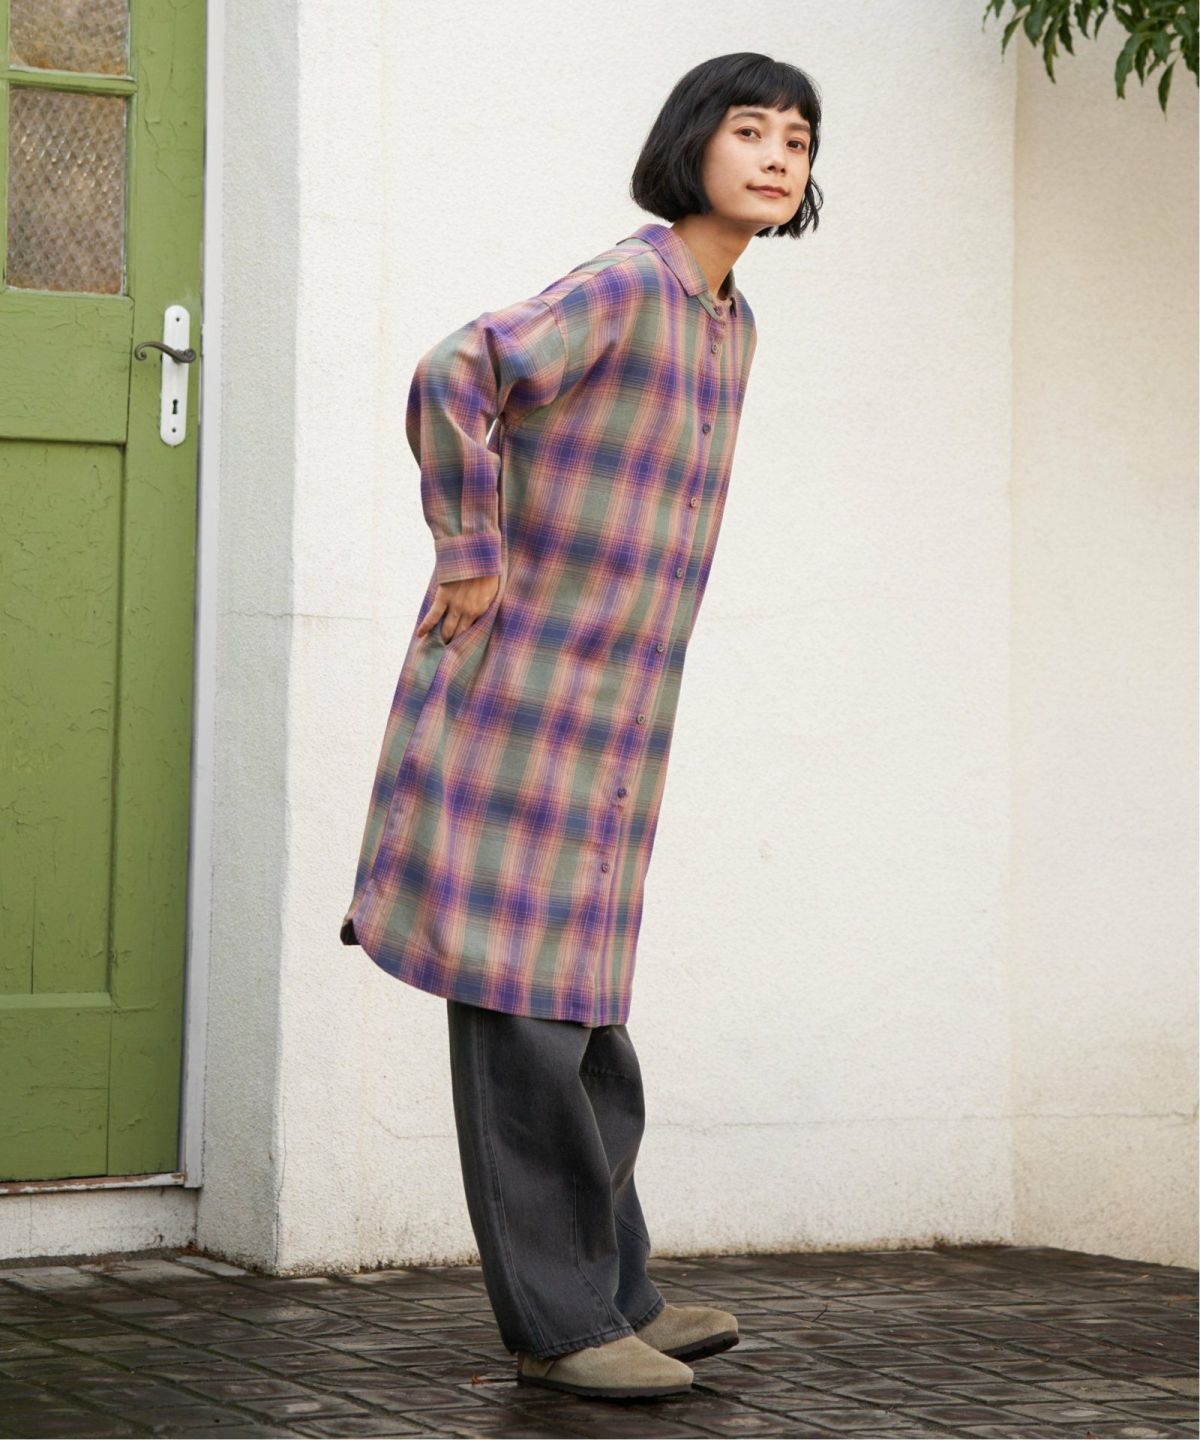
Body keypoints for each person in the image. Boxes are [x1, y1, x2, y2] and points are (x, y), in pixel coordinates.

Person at [340, 51, 822, 1402]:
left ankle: (619, 1293)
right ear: (691, 146)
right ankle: (557, 1325)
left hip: (618, 718)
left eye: (798, 140)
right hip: (523, 697)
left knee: (587, 1018)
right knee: (525, 1015)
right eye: (750, 131)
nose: (778, 157)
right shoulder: (627, 285)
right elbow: (456, 370)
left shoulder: (728, 322)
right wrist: (467, 548)